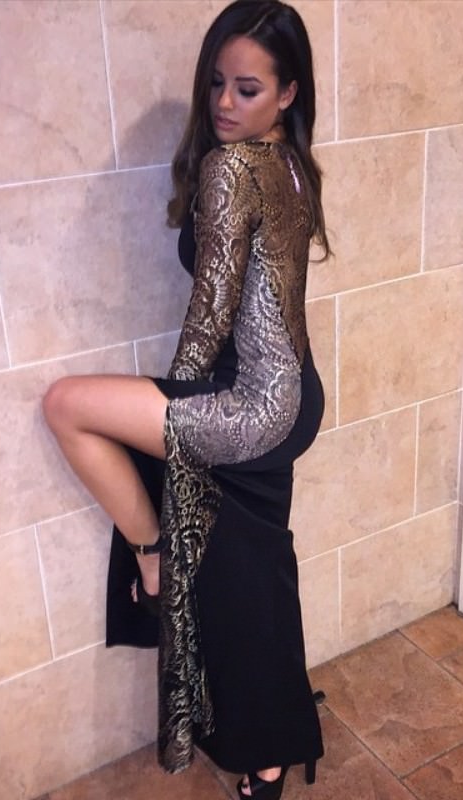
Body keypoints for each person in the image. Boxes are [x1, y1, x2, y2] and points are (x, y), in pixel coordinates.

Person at [43, 1, 329, 797]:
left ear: (288, 93)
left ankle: (152, 559)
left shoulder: (231, 168)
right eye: (216, 84)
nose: (225, 103)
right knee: (252, 579)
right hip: (291, 397)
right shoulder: (291, 162)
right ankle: (272, 751)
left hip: (250, 409)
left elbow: (205, 328)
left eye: (247, 89)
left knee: (68, 406)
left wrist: (176, 444)